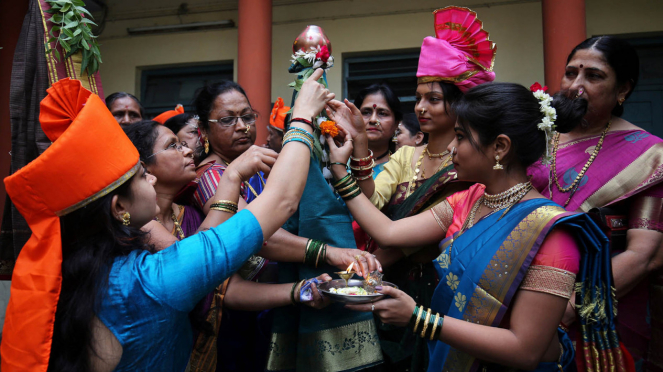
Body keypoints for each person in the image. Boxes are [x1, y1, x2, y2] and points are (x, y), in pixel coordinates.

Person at [0, 71, 333, 371]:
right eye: (144, 176)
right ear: (119, 209)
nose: (154, 182)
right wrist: (301, 116)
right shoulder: (152, 281)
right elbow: (281, 200)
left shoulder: (85, 270)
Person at [328, 82, 628, 372]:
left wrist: (418, 318)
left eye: (460, 136)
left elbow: (525, 349)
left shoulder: (550, 232)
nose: (451, 148)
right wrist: (340, 168)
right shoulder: (469, 198)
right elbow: (388, 232)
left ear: (500, 147)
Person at [123, 120, 381, 371]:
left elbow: (227, 290)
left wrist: (302, 290)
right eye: (173, 146)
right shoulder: (138, 225)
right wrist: (232, 177)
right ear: (144, 168)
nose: (189, 149)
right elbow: (200, 261)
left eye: (248, 117)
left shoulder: (188, 212)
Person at [337, 7, 497, 371]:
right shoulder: (407, 154)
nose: (420, 107)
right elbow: (373, 201)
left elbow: (410, 238)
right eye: (419, 97)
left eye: (434, 99)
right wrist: (360, 143)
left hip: (431, 284)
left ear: (459, 104)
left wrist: (362, 269)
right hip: (386, 276)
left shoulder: (466, 166)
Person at [527, 35, 663, 370]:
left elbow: (644, 256)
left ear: (623, 89)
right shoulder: (536, 136)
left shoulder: (648, 156)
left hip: (596, 317)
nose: (575, 86)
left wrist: (571, 307)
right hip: (521, 297)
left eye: (594, 76)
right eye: (570, 73)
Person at [352, 83, 402, 178]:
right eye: (366, 112)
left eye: (382, 113)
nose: (373, 120)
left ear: (396, 123)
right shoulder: (339, 161)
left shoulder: (402, 168)